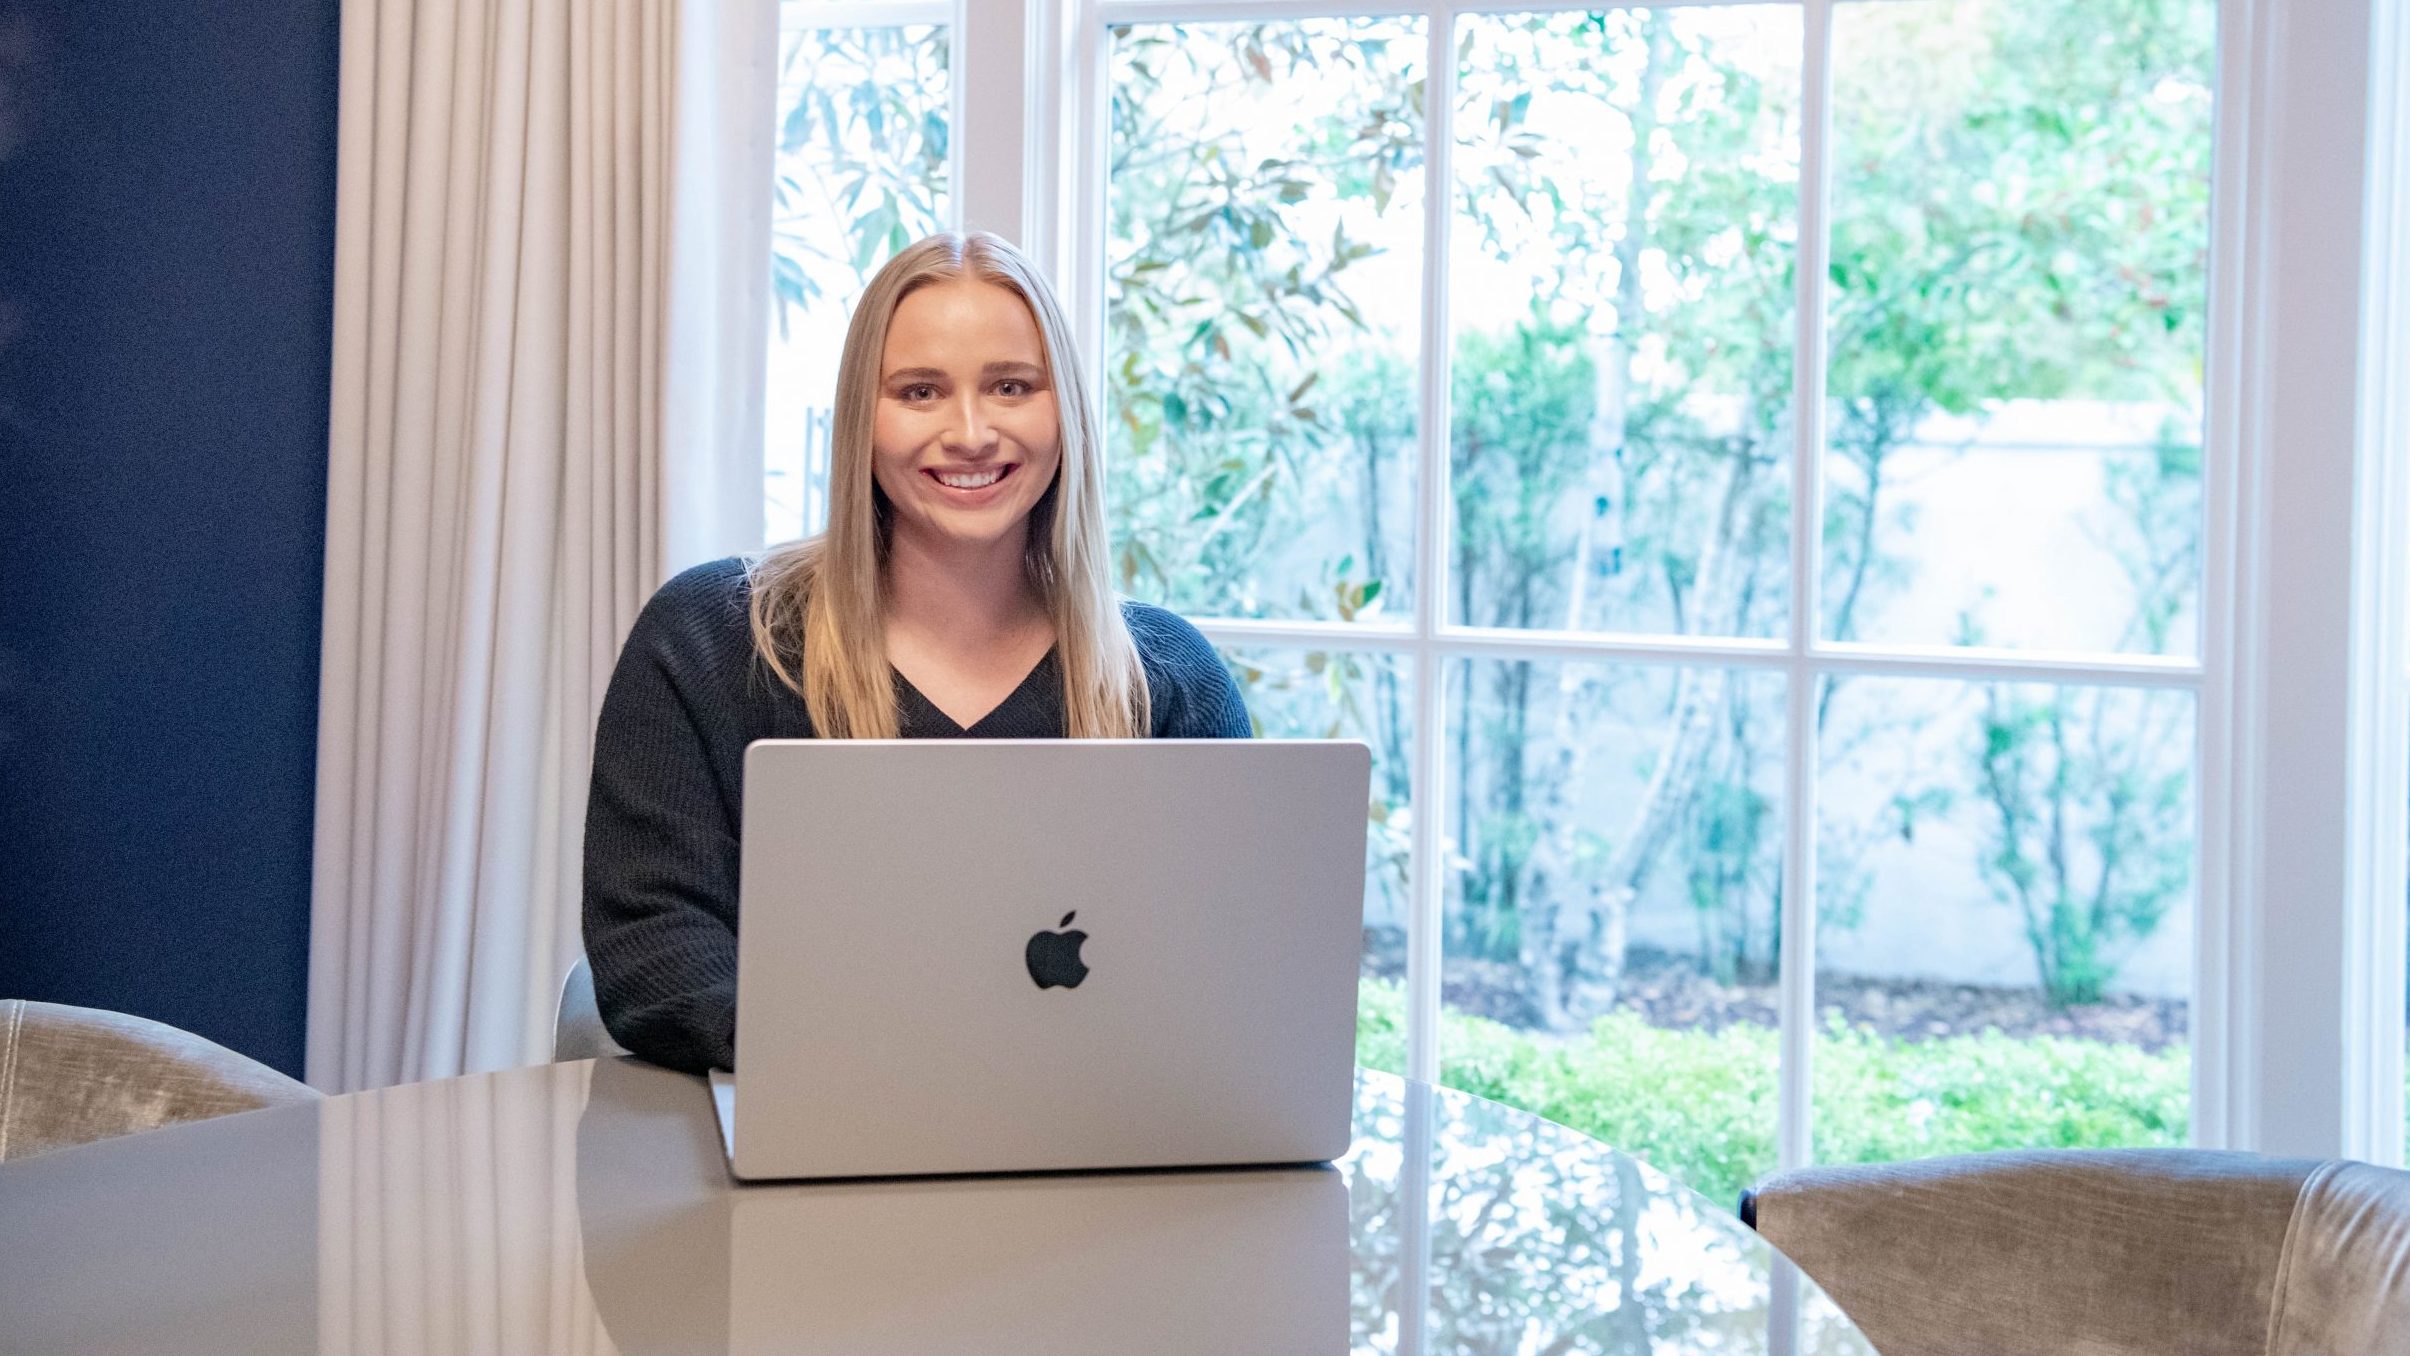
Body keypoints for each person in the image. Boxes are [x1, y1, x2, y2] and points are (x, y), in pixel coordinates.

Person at [581, 232, 1251, 1073]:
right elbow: (654, 947)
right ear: (864, 417)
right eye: (920, 391)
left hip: (1100, 1145)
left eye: (1011, 386)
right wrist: (884, 1071)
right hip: (797, 1139)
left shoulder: (1171, 681)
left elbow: (1234, 966)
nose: (970, 432)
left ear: (1064, 411)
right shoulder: (711, 637)